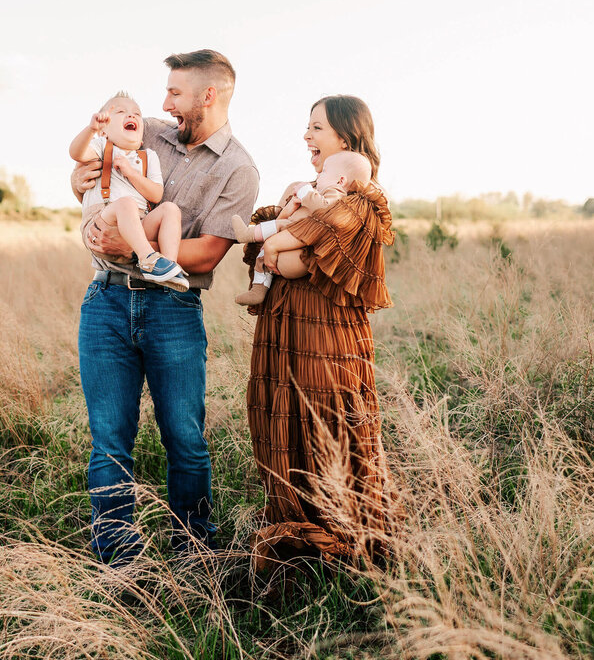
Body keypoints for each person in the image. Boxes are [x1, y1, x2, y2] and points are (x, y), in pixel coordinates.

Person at [71, 50, 259, 565]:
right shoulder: (147, 130)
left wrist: (128, 245)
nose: (163, 103)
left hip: (174, 310)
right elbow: (90, 162)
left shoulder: (239, 169)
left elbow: (207, 252)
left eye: (175, 93)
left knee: (184, 437)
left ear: (208, 95)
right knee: (109, 439)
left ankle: (193, 552)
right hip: (106, 302)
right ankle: (117, 559)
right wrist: (81, 181)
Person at [243, 94, 397, 570]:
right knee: (282, 420)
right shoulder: (306, 193)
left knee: (328, 424)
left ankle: (342, 540)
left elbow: (307, 250)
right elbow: (262, 240)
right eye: (307, 127)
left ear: (347, 137)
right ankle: (294, 536)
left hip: (326, 339)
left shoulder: (359, 201)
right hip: (283, 331)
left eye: (316, 128)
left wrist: (281, 246)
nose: (306, 136)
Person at [69, 92, 189, 290]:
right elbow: (76, 152)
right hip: (101, 224)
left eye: (136, 113)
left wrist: (130, 172)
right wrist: (91, 130)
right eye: (121, 112)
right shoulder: (101, 146)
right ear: (104, 131)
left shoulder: (149, 157)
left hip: (137, 227)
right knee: (126, 203)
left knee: (169, 209)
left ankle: (168, 267)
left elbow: (156, 194)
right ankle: (148, 259)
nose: (131, 115)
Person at [230, 150, 372, 305]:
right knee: (268, 245)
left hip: (300, 236)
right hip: (292, 231)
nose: (318, 176)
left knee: (279, 228)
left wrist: (305, 191)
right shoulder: (321, 192)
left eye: (324, 172)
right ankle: (258, 290)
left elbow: (324, 210)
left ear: (341, 181)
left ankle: (248, 234)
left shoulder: (336, 194)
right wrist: (291, 207)